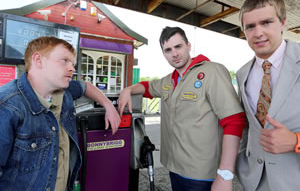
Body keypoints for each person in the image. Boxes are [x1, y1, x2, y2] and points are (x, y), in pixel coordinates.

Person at [118, 26, 246, 191]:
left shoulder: (212, 71)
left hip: (201, 174)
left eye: (178, 46)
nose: (174, 54)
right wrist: (127, 90)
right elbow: (146, 87)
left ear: (188, 45)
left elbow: (234, 121)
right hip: (174, 168)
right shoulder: (168, 81)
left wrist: (225, 174)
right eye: (168, 50)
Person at [0, 36, 121, 191]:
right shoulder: (8, 105)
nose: (72, 68)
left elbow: (85, 86)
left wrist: (108, 105)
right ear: (38, 60)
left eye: (73, 64)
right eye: (64, 61)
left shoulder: (65, 91)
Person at [235, 0, 300, 190]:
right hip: (254, 181)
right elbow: (246, 127)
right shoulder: (242, 73)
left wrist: (296, 141)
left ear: (282, 23)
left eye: (266, 22)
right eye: (250, 26)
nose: (258, 33)